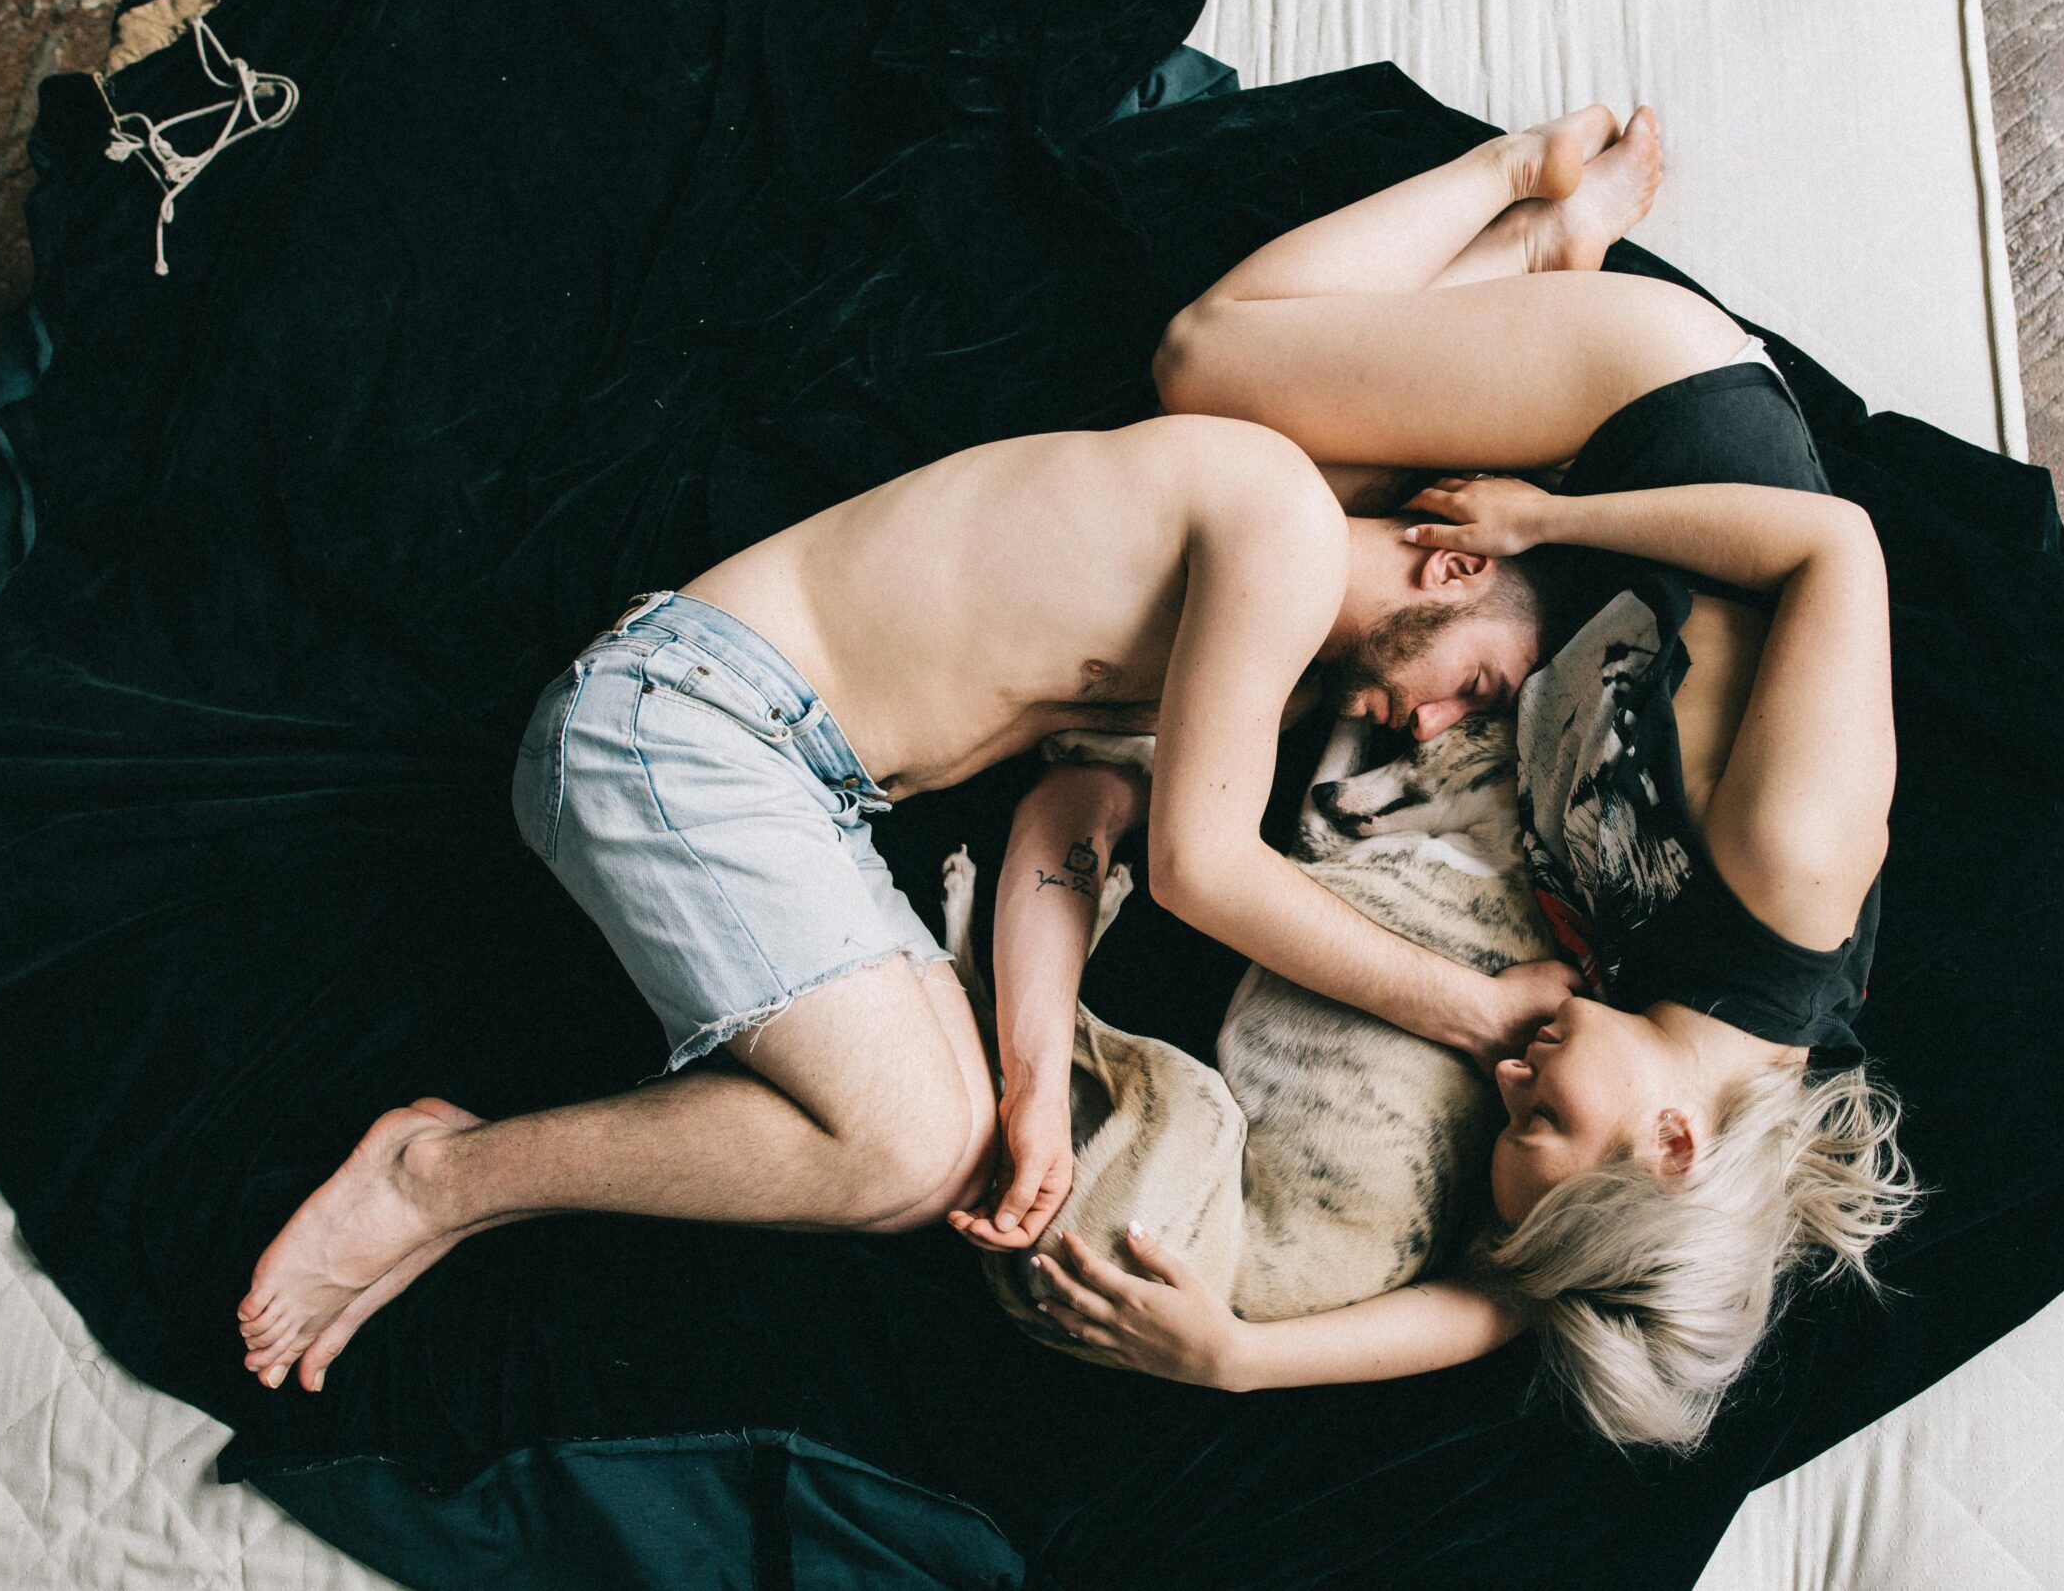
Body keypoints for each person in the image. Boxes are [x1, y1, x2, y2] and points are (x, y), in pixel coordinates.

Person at [227, 116, 1650, 1395]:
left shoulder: (1250, 678)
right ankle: (438, 1176)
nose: (1447, 727)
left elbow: (1065, 839)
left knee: (950, 1141)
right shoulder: (1272, 511)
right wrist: (1475, 1009)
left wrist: (1038, 1076)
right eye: (1485, 687)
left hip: (797, 790)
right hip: (687, 716)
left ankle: (464, 1177)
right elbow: (1202, 864)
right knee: (903, 1149)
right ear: (1455, 558)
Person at [1028, 106, 1917, 1449]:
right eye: (1539, 1113)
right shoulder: (1791, 873)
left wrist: (1242, 1357)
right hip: (1649, 417)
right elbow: (1836, 552)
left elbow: (1512, 1298)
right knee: (1201, 365)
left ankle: (1548, 250)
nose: (1509, 1079)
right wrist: (1551, 516)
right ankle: (1540, 206)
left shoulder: (1661, 1097)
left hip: (1540, 580)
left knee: (1260, 495)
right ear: (1671, 1144)